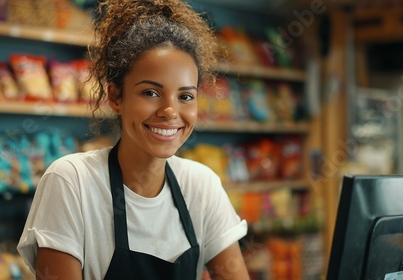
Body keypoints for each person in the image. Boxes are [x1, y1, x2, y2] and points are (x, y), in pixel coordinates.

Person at [17, 0, 249, 279]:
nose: (170, 111)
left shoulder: (201, 185)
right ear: (116, 97)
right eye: (150, 93)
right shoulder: (72, 182)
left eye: (185, 96)